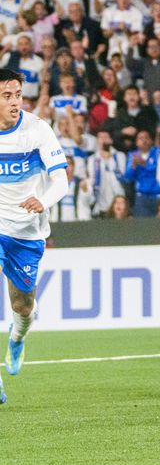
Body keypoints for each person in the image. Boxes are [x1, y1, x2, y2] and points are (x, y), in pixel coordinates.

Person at [0, 69, 68, 393]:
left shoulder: (37, 129)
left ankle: (17, 337)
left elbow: (61, 181)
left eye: (17, 95)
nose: (15, 102)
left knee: (22, 305)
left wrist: (43, 200)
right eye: (7, 96)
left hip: (26, 229)